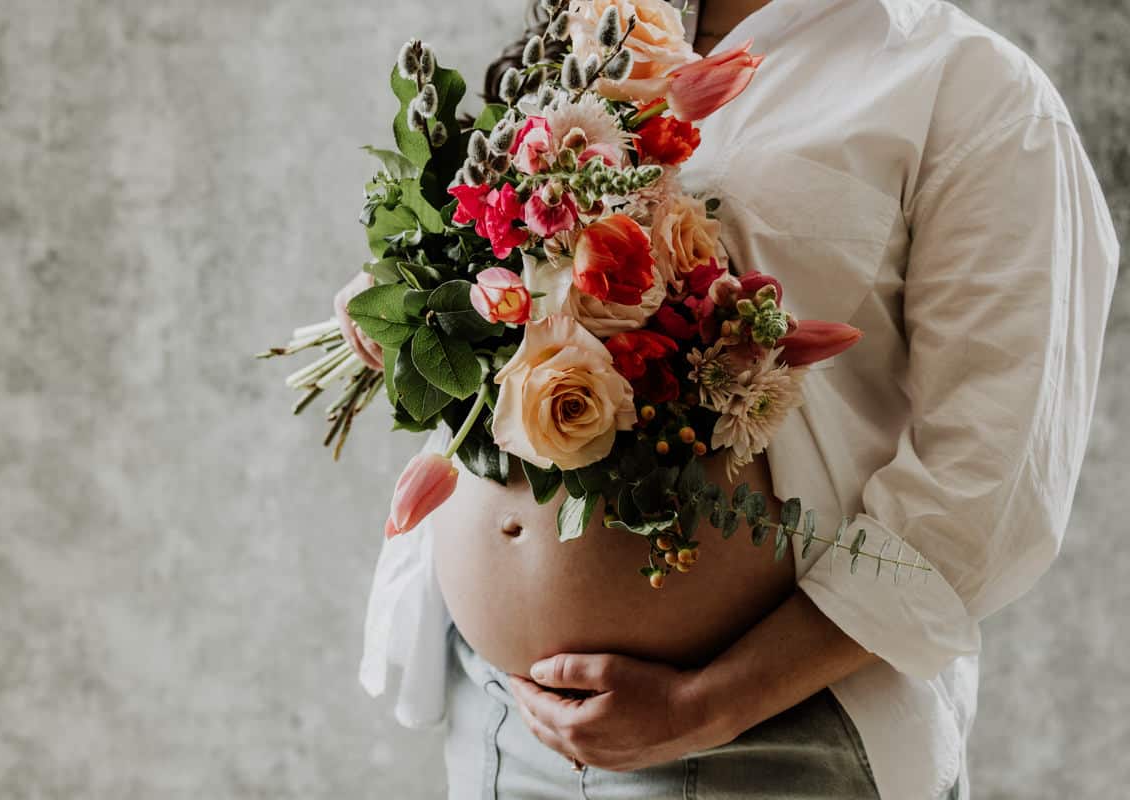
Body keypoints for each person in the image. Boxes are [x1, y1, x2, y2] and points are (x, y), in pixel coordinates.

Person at [349, 0, 1120, 797]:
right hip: (496, 718)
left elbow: (989, 483)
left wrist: (707, 706)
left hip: (766, 747)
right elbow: (506, 277)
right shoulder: (593, 29)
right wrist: (402, 304)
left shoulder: (975, 90)